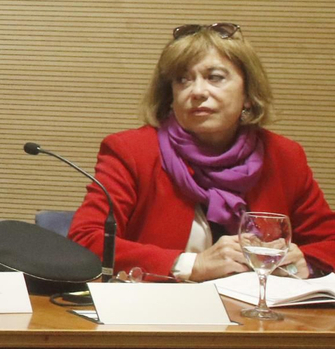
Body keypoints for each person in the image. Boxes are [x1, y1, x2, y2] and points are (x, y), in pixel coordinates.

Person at [68, 24, 335, 280]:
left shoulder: (283, 156)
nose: (197, 91)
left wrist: (306, 262)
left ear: (248, 94)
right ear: (170, 97)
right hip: (161, 312)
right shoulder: (132, 152)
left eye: (215, 78)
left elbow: (329, 241)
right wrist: (192, 265)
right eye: (183, 80)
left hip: (259, 315)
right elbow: (86, 240)